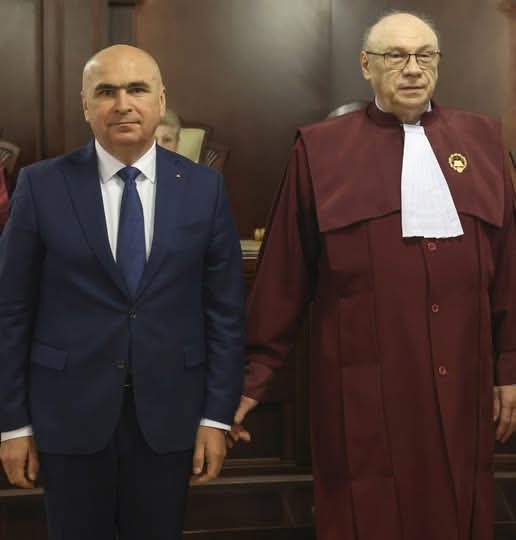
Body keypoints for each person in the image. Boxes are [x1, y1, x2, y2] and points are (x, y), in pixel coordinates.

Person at [230, 11, 516, 540]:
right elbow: (282, 279)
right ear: (366, 65)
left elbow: (509, 272)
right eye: (395, 56)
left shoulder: (482, 143)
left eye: (425, 56)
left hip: (463, 381)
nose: (413, 69)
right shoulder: (320, 150)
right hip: (362, 386)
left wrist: (509, 367)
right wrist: (252, 381)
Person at [0, 44, 245, 540]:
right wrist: (13, 425)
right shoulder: (41, 185)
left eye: (136, 89)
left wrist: (216, 418)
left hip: (171, 415)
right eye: (106, 92)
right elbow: (11, 310)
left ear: (161, 100)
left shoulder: (204, 189)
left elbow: (225, 313)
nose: (122, 104)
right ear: (85, 105)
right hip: (67, 414)